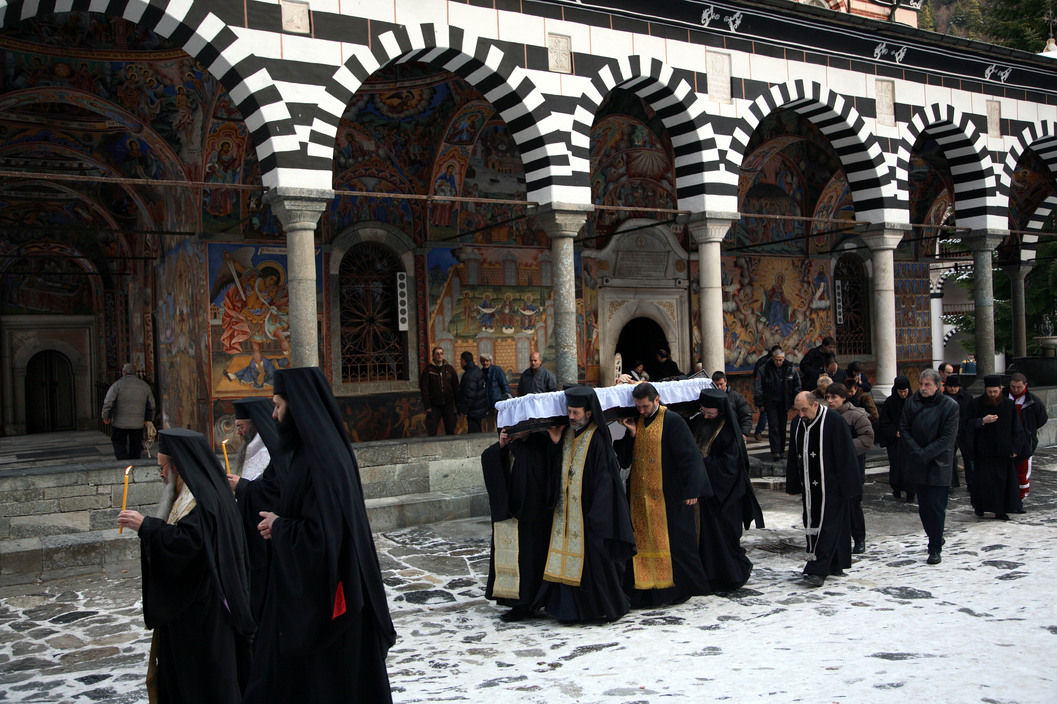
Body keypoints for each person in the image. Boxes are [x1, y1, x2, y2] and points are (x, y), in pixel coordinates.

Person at [246, 367, 395, 703]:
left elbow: (325, 536)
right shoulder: (315, 451)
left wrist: (280, 527)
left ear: (297, 408)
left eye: (278, 405)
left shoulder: (322, 461)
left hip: (330, 601)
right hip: (312, 591)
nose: (273, 414)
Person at [116, 428, 255, 703]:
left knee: (201, 681)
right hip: (197, 606)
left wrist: (146, 526)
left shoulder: (200, 499)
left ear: (178, 465)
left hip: (202, 610)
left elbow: (191, 546)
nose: (161, 474)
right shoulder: (198, 490)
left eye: (162, 467)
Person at [536, 386, 636, 624]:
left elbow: (605, 481)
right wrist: (554, 443)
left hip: (589, 516)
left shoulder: (598, 438)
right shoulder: (568, 434)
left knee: (593, 567)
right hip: (566, 515)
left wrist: (596, 515)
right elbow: (559, 469)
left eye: (576, 413)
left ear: (589, 413)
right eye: (569, 412)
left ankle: (593, 610)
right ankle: (567, 610)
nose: (571, 417)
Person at [615, 383, 711, 607]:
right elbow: (625, 458)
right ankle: (644, 589)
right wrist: (630, 433)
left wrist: (692, 489)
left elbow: (690, 457)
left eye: (645, 406)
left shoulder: (673, 421)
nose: (641, 411)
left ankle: (674, 590)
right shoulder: (637, 421)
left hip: (668, 494)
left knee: (675, 543)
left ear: (657, 399)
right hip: (640, 496)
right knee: (642, 541)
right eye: (638, 406)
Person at [689, 389, 764, 591]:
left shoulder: (729, 431)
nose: (706, 416)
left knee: (722, 540)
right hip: (705, 493)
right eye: (703, 412)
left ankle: (729, 576)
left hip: (725, 495)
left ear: (720, 412)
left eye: (710, 414)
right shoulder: (699, 422)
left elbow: (729, 466)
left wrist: (703, 461)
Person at [785, 392, 860, 587]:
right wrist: (793, 483)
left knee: (827, 527)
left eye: (804, 410)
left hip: (832, 487)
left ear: (815, 405)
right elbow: (795, 455)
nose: (801, 414)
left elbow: (846, 455)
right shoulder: (798, 424)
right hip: (810, 488)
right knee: (812, 523)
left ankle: (817, 569)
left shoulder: (833, 421)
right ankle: (834, 564)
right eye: (797, 410)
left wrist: (849, 487)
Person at [481, 428, 553, 622]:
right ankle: (518, 604)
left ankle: (532, 602)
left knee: (531, 561)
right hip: (512, 514)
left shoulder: (541, 442)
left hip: (533, 515)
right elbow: (490, 459)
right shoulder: (511, 446)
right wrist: (502, 448)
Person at [228, 397, 285, 620]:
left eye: (241, 427)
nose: (239, 433)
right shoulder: (251, 449)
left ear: (254, 425)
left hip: (267, 535)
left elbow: (272, 492)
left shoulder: (270, 451)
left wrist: (241, 486)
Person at [899, 369, 960, 565]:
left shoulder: (949, 406)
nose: (923, 388)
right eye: (921, 384)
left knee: (936, 506)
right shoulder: (912, 402)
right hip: (917, 461)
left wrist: (925, 453)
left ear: (937, 386)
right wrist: (916, 451)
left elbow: (947, 438)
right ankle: (935, 534)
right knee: (924, 508)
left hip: (938, 462)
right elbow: (904, 428)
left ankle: (934, 547)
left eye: (927, 385)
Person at [963, 375, 1025, 521]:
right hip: (983, 453)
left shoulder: (1009, 405)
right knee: (982, 484)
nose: (992, 395)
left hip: (1003, 453)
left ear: (1000, 389)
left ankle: (1000, 511)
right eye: (990, 392)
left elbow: (1017, 429)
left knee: (1001, 484)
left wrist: (1015, 448)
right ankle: (980, 507)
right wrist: (982, 421)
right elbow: (966, 424)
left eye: (995, 392)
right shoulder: (976, 404)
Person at [825, 383, 874, 555]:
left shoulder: (856, 415)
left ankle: (859, 538)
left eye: (834, 398)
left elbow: (867, 439)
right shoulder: (826, 416)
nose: (830, 401)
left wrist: (844, 448)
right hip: (832, 468)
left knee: (853, 504)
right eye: (828, 398)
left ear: (843, 398)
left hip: (853, 466)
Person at [1006, 372, 1049, 509]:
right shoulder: (1003, 397)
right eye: (1013, 387)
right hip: (1006, 438)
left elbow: (1042, 418)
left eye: (1018, 387)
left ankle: (1021, 495)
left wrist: (1029, 431)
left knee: (1023, 469)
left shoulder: (1033, 401)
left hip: (1025, 440)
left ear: (1025, 385)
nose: (1016, 390)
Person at [753, 348, 802, 462]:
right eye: (776, 360)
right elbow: (758, 387)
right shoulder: (765, 368)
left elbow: (796, 384)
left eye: (780, 360)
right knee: (773, 426)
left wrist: (796, 400)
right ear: (773, 358)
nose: (778, 362)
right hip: (771, 401)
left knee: (782, 426)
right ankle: (775, 451)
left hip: (784, 401)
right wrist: (760, 402)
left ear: (784, 359)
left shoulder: (790, 368)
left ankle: (781, 450)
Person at [101, 363, 156, 460]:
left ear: (124, 373)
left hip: (120, 423)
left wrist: (106, 416)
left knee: (119, 442)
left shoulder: (117, 385)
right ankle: (134, 464)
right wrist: (149, 419)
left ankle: (123, 462)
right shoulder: (144, 386)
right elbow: (151, 405)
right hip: (137, 423)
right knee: (136, 444)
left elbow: (108, 402)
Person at [878, 376, 914, 502]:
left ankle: (911, 492)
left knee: (910, 467)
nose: (903, 394)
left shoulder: (914, 401)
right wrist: (894, 432)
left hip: (910, 440)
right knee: (896, 465)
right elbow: (884, 421)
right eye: (900, 392)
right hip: (895, 441)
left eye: (905, 391)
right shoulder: (890, 402)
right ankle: (896, 489)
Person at [419, 346, 459, 436]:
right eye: (437, 354)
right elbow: (424, 390)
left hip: (448, 404)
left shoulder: (449, 369)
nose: (439, 356)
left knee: (450, 429)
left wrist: (456, 405)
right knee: (432, 430)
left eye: (441, 353)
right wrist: (427, 406)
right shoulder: (428, 370)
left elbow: (456, 387)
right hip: (434, 405)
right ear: (433, 356)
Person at [943, 374, 971, 490]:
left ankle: (971, 483)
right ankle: (952, 482)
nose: (953, 389)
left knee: (968, 458)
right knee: (950, 458)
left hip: (965, 431)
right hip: (950, 431)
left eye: (955, 386)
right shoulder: (942, 398)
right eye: (951, 387)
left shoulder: (967, 398)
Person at [751, 345, 782, 442]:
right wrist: (759, 400)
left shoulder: (784, 365)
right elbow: (758, 381)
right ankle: (759, 431)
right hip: (766, 394)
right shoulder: (763, 362)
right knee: (764, 414)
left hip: (777, 395)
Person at [711, 371, 754, 437]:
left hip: (733, 433)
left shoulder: (736, 397)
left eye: (721, 384)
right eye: (716, 385)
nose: (719, 387)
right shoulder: (711, 398)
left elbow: (746, 416)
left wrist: (744, 433)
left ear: (726, 382)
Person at [456, 351, 488, 433]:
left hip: (473, 410)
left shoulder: (469, 375)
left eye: (460, 360)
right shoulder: (476, 370)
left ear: (463, 360)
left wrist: (463, 411)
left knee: (474, 434)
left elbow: (469, 395)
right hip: (479, 407)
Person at [480, 353, 511, 430]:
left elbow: (504, 385)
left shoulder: (497, 370)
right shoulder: (481, 372)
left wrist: (506, 399)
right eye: (483, 361)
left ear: (490, 361)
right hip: (487, 404)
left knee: (500, 425)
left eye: (487, 361)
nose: (485, 363)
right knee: (490, 426)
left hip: (498, 402)